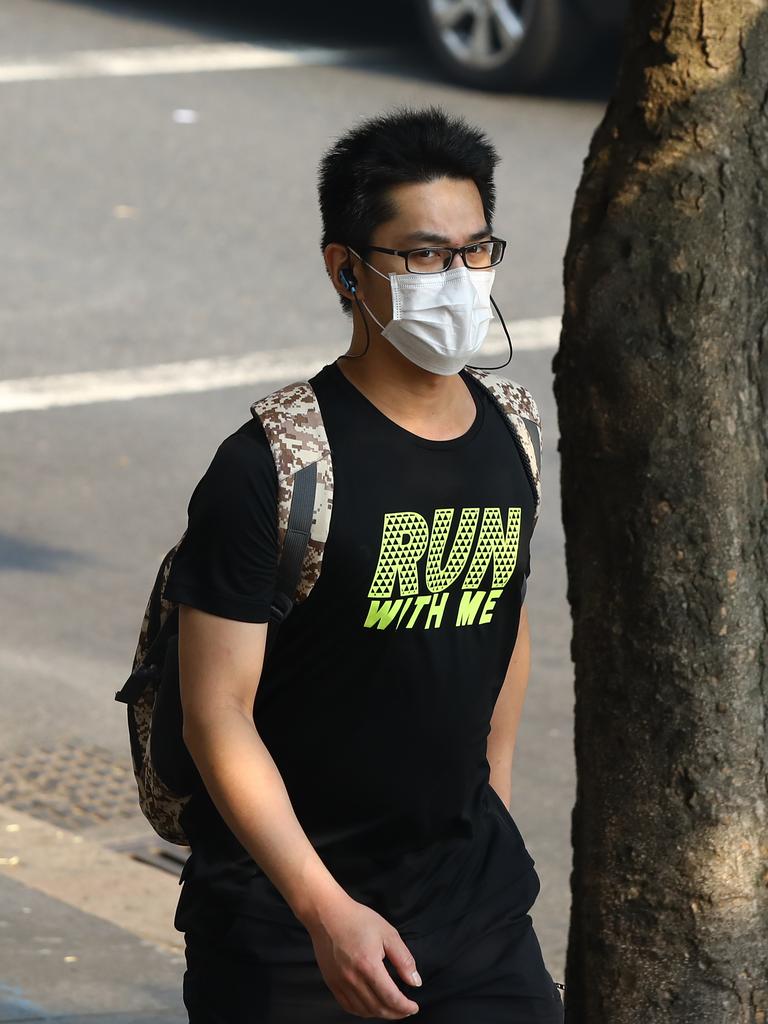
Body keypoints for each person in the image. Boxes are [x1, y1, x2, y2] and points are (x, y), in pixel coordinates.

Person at [165, 105, 564, 1023]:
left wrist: (489, 808)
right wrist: (324, 909)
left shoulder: (513, 428)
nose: (459, 280)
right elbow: (214, 713)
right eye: (422, 255)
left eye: (476, 250)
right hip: (285, 925)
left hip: (472, 909)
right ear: (345, 268)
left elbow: (503, 620)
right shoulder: (270, 465)